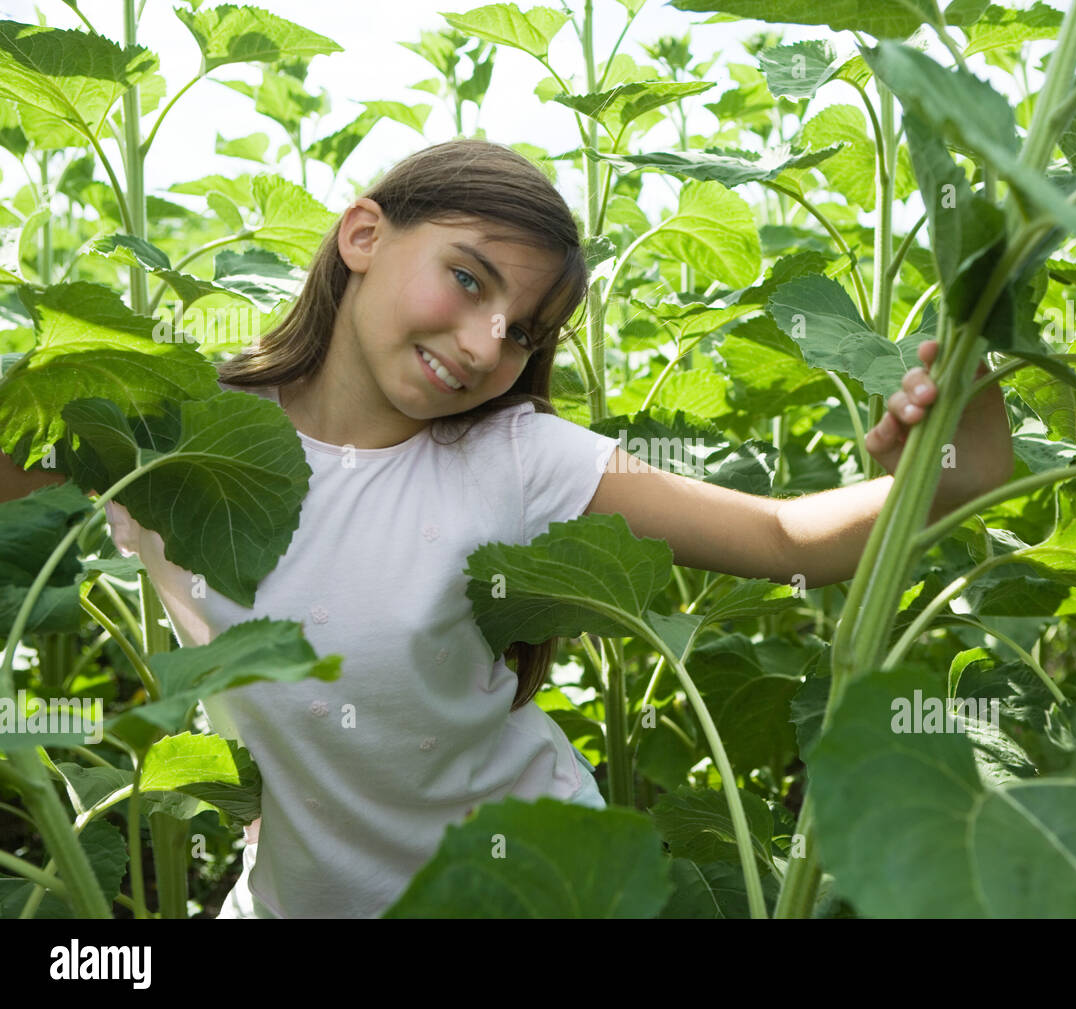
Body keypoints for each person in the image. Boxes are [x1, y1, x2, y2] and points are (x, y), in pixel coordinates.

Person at [0, 138, 1013, 918]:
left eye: (523, 329)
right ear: (362, 237)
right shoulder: (170, 432)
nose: (489, 343)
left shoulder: (514, 457)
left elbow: (791, 542)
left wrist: (958, 453)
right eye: (470, 278)